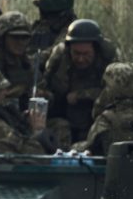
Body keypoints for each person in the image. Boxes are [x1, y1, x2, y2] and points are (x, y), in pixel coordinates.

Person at [41, 18, 109, 146]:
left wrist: (82, 95)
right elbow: (45, 83)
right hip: (64, 115)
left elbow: (115, 93)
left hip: (95, 116)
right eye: (76, 53)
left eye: (86, 54)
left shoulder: (108, 58)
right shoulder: (59, 56)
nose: (81, 59)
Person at [29, 0, 119, 63]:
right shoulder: (40, 26)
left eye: (45, 11)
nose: (42, 15)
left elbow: (53, 53)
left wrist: (28, 61)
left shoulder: (74, 31)